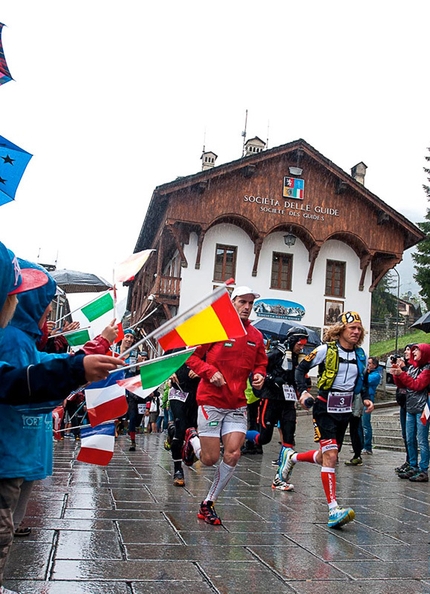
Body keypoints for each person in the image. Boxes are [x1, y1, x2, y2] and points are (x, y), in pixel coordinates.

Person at [0, 257, 123, 594]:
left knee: (8, 522)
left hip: (15, 450)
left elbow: (45, 362)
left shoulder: (20, 337)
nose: (49, 312)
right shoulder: (11, 337)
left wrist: (79, 363)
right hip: (7, 450)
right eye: (45, 302)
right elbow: (19, 378)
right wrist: (77, 365)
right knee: (3, 525)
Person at [181, 286, 267, 525]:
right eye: (242, 302)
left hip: (237, 403)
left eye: (251, 303)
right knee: (209, 459)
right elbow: (190, 356)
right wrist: (210, 372)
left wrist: (259, 375)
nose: (247, 307)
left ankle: (208, 503)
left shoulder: (256, 337)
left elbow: (261, 363)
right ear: (232, 303)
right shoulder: (215, 329)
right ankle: (192, 439)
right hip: (212, 401)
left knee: (233, 453)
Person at [281, 311, 374, 529]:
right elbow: (301, 369)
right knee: (331, 457)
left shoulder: (360, 355)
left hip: (345, 409)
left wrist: (368, 399)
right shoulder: (325, 350)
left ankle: (291, 457)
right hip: (324, 407)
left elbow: (365, 379)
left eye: (359, 329)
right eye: (352, 328)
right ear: (341, 330)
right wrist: (303, 392)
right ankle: (333, 509)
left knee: (326, 456)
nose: (356, 332)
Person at [244, 327, 310, 491]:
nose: (301, 348)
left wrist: (304, 387)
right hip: (271, 399)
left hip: (288, 402)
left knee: (288, 438)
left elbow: (302, 377)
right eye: (300, 344)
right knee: (264, 439)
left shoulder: (300, 359)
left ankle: (280, 478)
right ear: (293, 341)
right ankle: (239, 433)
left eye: (304, 345)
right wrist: (272, 379)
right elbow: (258, 369)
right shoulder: (277, 353)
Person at [391, 343, 430, 482]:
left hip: (422, 410)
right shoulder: (413, 367)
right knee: (410, 438)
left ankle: (423, 469)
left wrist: (402, 374)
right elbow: (403, 384)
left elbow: (417, 385)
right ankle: (413, 465)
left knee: (422, 440)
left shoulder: (427, 369)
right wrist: (397, 375)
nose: (413, 353)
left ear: (424, 353)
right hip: (411, 408)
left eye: (417, 351)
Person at [166, 361, 200, 487]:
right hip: (177, 391)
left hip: (196, 393)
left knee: (190, 430)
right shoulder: (176, 345)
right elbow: (163, 362)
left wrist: (201, 371)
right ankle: (178, 470)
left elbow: (214, 366)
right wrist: (170, 372)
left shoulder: (206, 346)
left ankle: (171, 430)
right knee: (181, 430)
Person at [393, 345, 415, 474]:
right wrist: (397, 369)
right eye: (405, 349)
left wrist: (403, 369)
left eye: (409, 349)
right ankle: (409, 460)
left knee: (412, 436)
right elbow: (400, 383)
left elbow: (412, 381)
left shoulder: (415, 367)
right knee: (405, 435)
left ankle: (414, 463)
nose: (406, 352)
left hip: (413, 404)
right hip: (403, 403)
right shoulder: (406, 365)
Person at [361, 356, 381, 455]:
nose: (368, 365)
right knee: (359, 423)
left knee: (365, 423)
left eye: (370, 363)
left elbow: (366, 380)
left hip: (369, 398)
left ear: (374, 365)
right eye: (367, 363)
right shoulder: (367, 372)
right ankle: (360, 445)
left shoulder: (376, 375)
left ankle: (367, 447)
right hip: (361, 397)